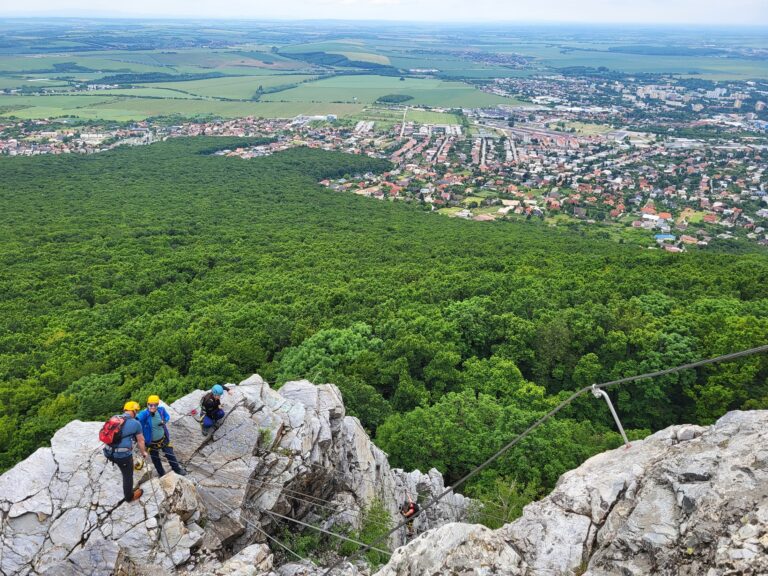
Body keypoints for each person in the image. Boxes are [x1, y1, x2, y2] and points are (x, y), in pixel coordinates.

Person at [102, 401, 148, 504]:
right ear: (134, 411)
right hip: (122, 456)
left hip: (108, 452)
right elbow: (141, 440)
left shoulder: (114, 417)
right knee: (127, 476)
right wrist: (143, 452)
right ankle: (129, 497)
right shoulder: (136, 423)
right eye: (137, 410)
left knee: (123, 467)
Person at [137, 395, 186, 477]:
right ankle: (161, 473)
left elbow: (167, 416)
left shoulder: (161, 410)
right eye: (150, 405)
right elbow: (137, 418)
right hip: (151, 443)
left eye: (155, 405)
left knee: (170, 454)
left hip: (163, 438)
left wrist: (164, 421)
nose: (152, 407)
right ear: (147, 404)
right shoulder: (145, 414)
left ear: (157, 405)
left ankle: (177, 469)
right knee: (155, 459)